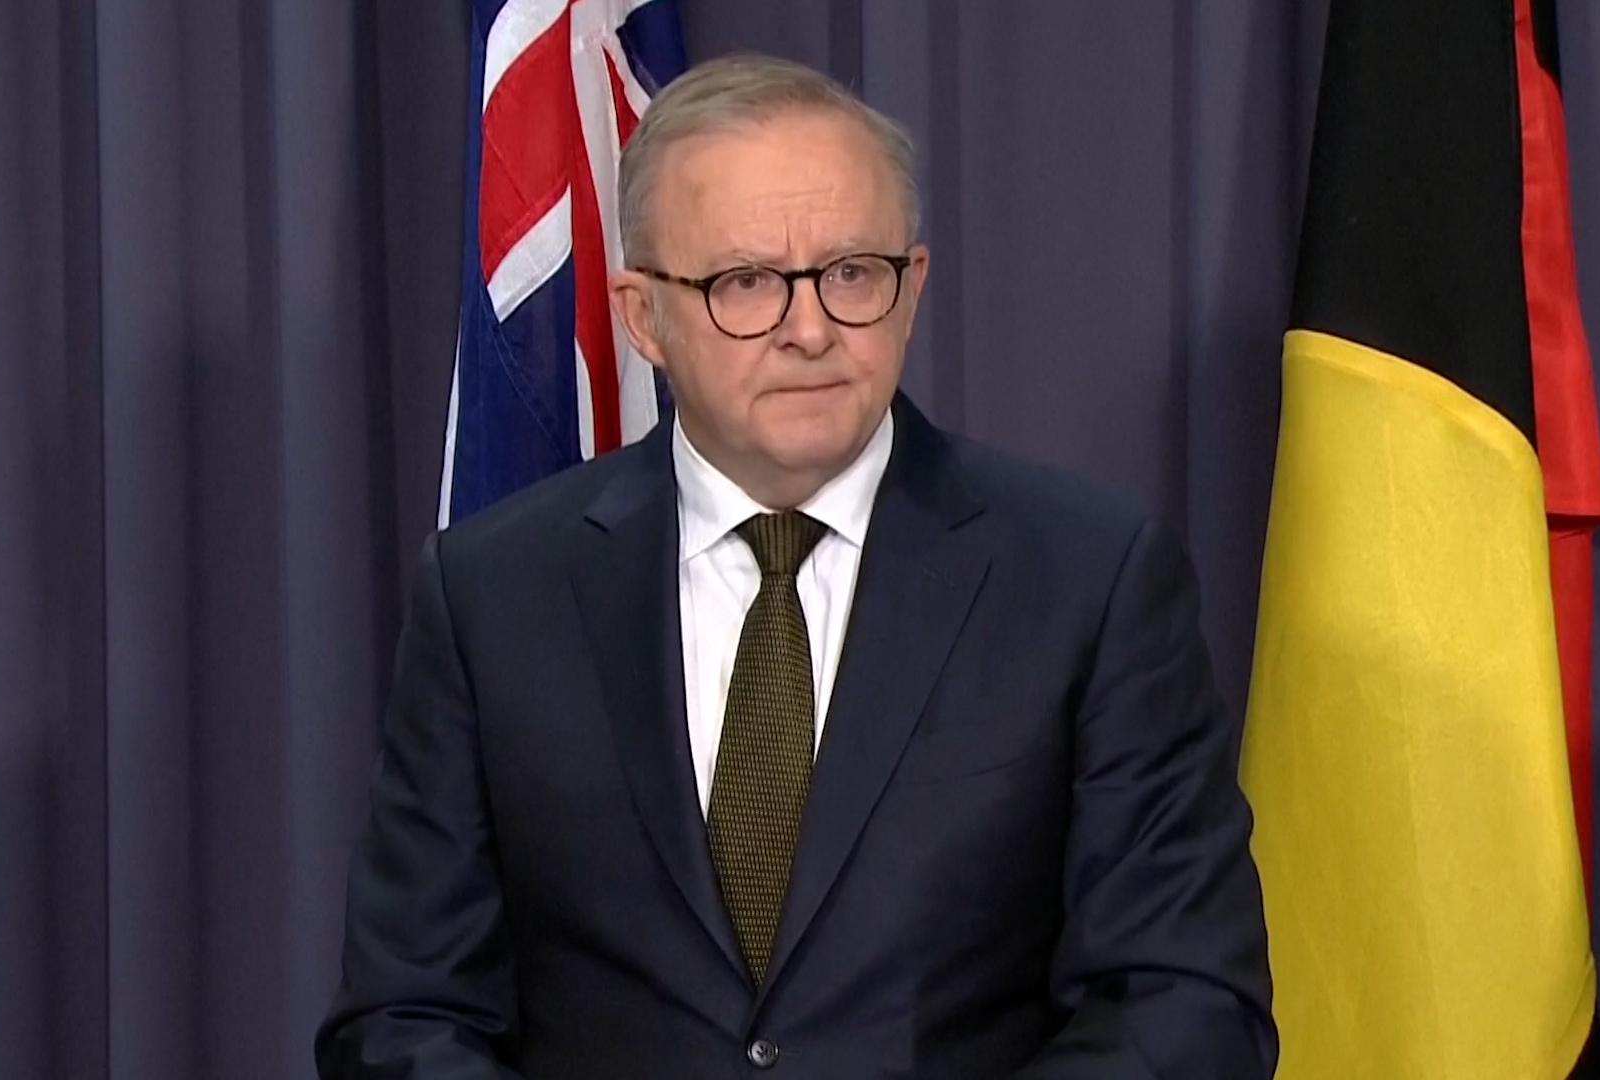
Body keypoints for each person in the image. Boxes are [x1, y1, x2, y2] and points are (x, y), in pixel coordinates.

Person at [316, 53, 1275, 1080]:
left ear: (912, 289)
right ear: (643, 317)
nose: (810, 330)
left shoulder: (1089, 580)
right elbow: (404, 1018)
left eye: (851, 274)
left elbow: (1186, 1007)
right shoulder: (494, 596)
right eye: (745, 283)